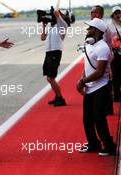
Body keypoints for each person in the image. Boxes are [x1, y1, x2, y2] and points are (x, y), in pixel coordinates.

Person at [77, 18, 116, 156]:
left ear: (98, 31)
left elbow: (99, 72)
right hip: (90, 87)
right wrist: (83, 79)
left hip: (101, 87)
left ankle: (109, 146)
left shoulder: (103, 48)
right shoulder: (89, 45)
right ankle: (93, 143)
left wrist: (82, 82)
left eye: (90, 28)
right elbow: (87, 66)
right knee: (87, 119)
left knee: (99, 117)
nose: (88, 30)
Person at [41, 8, 68, 106]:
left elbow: (59, 18)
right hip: (48, 53)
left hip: (55, 53)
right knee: (48, 78)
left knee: (51, 78)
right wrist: (44, 26)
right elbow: (42, 38)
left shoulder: (62, 25)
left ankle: (61, 98)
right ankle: (57, 96)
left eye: (59, 14)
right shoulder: (52, 27)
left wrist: (57, 14)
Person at [109, 6, 121, 102]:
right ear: (112, 15)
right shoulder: (110, 26)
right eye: (116, 13)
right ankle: (116, 95)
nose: (118, 15)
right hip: (115, 54)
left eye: (119, 13)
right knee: (116, 75)